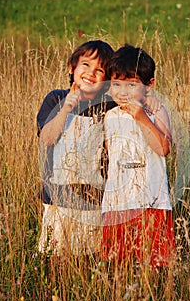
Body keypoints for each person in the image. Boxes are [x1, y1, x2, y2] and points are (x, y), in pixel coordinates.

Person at [37, 40, 160, 256]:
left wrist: (149, 101)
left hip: (95, 200)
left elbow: (133, 96)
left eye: (100, 70)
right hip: (57, 199)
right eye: (85, 65)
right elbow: (47, 138)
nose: (91, 73)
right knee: (56, 257)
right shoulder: (55, 99)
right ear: (71, 67)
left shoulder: (110, 105)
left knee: (88, 257)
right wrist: (67, 107)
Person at [101, 44, 175, 267]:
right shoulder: (109, 116)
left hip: (152, 202)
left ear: (149, 85)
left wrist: (142, 116)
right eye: (116, 84)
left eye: (131, 84)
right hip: (118, 204)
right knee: (118, 264)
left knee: (155, 265)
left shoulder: (156, 111)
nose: (122, 91)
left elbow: (163, 148)